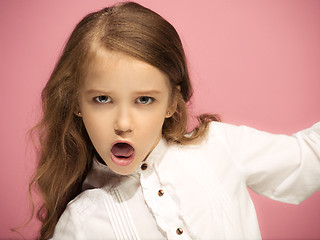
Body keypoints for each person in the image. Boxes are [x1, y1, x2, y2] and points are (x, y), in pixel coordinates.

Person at [29, 1, 320, 239]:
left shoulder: (219, 147)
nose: (123, 123)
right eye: (102, 99)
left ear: (171, 102)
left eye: (144, 100)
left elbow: (310, 158)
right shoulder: (80, 224)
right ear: (77, 103)